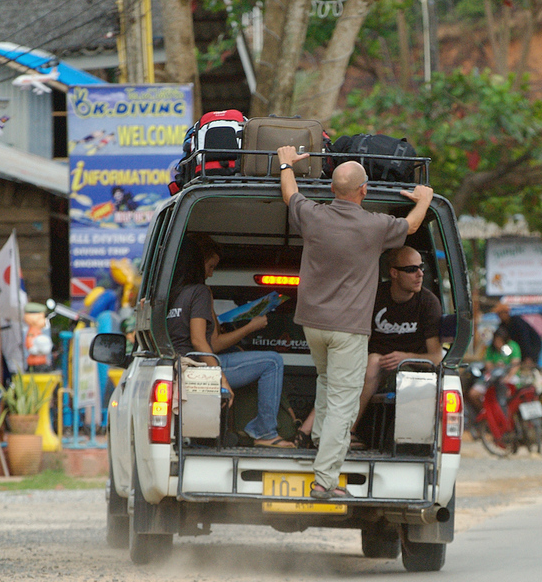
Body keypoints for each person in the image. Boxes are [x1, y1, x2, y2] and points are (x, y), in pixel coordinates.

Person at [278, 145, 433, 499]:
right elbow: (411, 224)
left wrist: (285, 161)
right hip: (348, 330)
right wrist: (423, 197)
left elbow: (290, 193)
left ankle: (318, 439)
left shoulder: (313, 216)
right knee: (344, 402)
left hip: (312, 324)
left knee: (326, 379)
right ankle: (325, 481)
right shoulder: (375, 226)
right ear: (363, 191)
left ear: (333, 189)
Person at [296, 245, 444, 448]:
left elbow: (436, 357)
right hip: (367, 364)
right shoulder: (374, 297)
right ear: (394, 273)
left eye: (421, 267)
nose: (419, 274)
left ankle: (347, 431)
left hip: (405, 369)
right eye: (411, 269)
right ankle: (306, 432)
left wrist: (405, 357)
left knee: (372, 362)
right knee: (349, 367)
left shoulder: (428, 303)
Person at [165, 236, 295, 448]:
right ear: (197, 263)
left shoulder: (171, 295)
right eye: (210, 266)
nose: (211, 273)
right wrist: (221, 378)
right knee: (272, 361)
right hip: (199, 368)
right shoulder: (200, 292)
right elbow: (200, 341)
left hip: (179, 367)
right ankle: (264, 431)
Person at [492, 302, 542, 368]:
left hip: (532, 346)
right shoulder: (503, 325)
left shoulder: (517, 322)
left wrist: (528, 356)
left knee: (529, 365)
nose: (499, 316)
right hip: (519, 348)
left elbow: (525, 338)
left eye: (500, 314)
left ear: (506, 313)